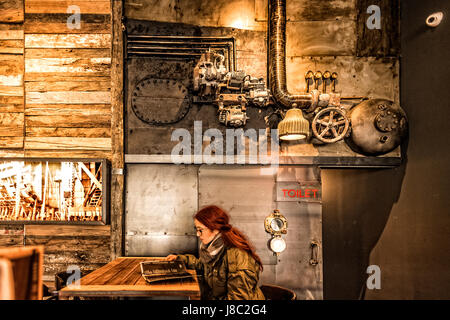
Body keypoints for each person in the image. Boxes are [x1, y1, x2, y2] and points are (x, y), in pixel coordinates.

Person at [165, 205, 265, 300]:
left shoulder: (237, 257)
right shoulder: (214, 251)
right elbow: (203, 266)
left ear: (215, 229)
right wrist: (181, 259)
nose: (197, 234)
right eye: (197, 229)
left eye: (200, 230)